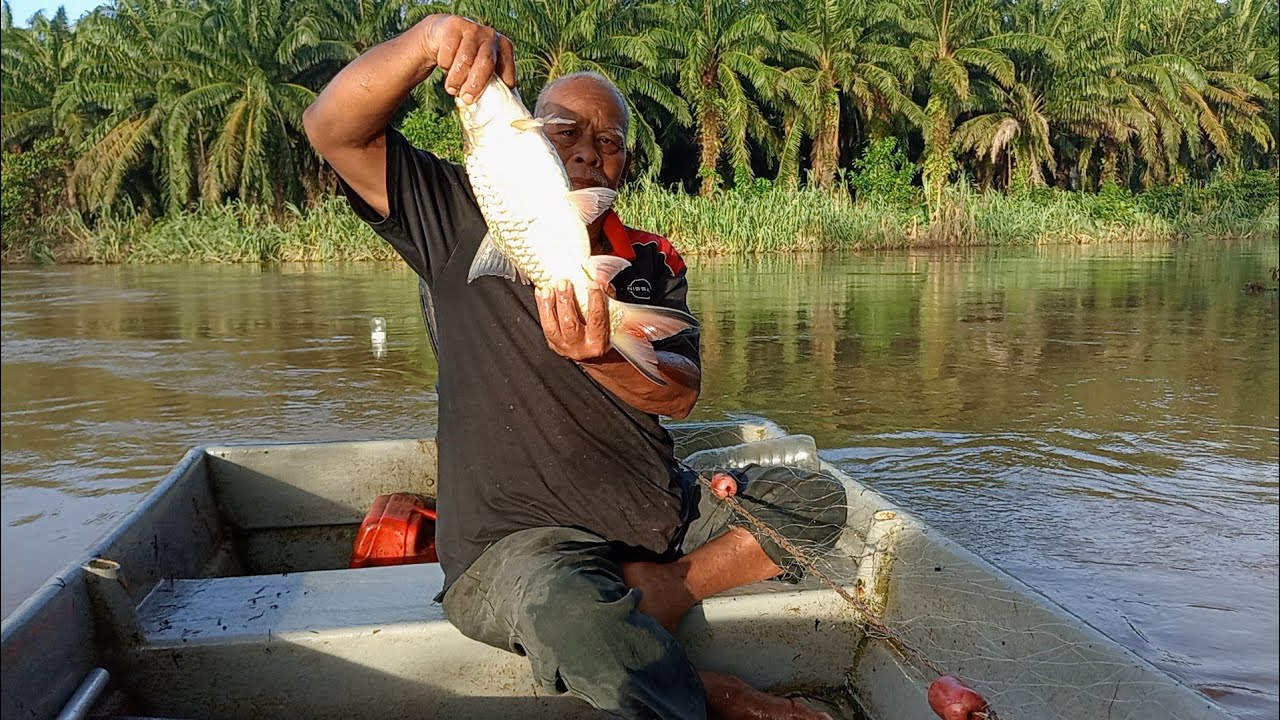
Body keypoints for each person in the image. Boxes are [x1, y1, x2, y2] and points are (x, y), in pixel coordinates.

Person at [303, 13, 846, 720]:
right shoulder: (460, 216)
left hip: (661, 515)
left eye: (611, 142)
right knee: (575, 617)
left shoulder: (648, 257)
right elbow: (333, 128)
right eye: (565, 131)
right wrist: (429, 38)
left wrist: (596, 356)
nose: (590, 150)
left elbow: (679, 392)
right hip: (518, 546)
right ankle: (718, 697)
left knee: (817, 500)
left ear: (623, 166)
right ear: (530, 133)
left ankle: (665, 586)